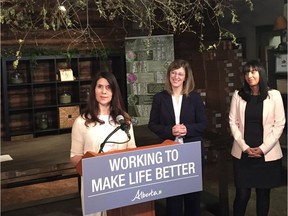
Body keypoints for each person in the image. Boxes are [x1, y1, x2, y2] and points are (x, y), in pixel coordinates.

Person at [70, 71, 136, 216]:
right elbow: (75, 157)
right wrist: (95, 163)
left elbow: (132, 152)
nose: (104, 91)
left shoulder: (124, 120)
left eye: (108, 87)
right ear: (94, 90)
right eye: (100, 87)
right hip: (94, 184)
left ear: (114, 91)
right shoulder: (82, 121)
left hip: (120, 182)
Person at [148, 59, 208, 216]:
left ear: (186, 77)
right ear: (168, 75)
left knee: (193, 198)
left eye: (180, 74)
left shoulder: (194, 97)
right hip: (169, 155)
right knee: (173, 199)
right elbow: (152, 125)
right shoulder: (159, 98)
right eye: (173, 73)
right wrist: (170, 130)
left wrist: (187, 129)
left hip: (191, 154)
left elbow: (203, 124)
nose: (176, 77)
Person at [229, 60, 286, 216]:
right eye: (247, 72)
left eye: (253, 72)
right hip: (243, 155)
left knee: (263, 195)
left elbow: (279, 124)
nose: (250, 76)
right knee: (242, 195)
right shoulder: (238, 95)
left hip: (266, 156)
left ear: (261, 73)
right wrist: (245, 147)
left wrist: (262, 149)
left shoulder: (274, 95)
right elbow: (232, 122)